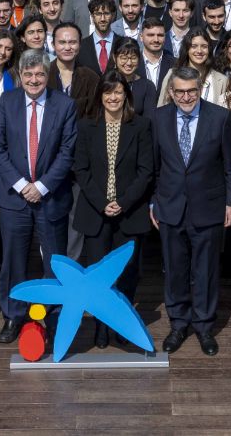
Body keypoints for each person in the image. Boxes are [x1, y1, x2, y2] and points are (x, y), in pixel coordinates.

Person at [151, 66, 231, 356]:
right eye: (180, 92)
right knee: (175, 270)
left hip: (209, 208)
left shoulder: (219, 117)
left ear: (200, 89)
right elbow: (154, 167)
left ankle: (203, 326)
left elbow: (230, 166)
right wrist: (154, 201)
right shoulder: (159, 118)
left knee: (205, 271)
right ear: (171, 92)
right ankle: (178, 324)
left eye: (192, 91)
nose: (187, 97)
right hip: (171, 207)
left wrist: (230, 202)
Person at [0, 52, 77, 345]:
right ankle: (13, 315)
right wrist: (20, 184)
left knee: (54, 262)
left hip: (50, 197)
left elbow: (67, 153)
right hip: (14, 199)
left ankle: (49, 316)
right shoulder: (7, 101)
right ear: (20, 75)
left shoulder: (64, 105)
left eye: (39, 74)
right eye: (28, 75)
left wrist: (41, 186)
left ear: (47, 74)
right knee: (14, 261)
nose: (34, 80)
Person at [73, 76, 156, 349]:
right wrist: (102, 202)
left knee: (128, 272)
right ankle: (100, 325)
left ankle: (121, 322)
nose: (113, 98)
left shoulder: (141, 126)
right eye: (108, 93)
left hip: (129, 212)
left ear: (126, 96)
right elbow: (81, 170)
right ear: (100, 96)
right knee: (98, 273)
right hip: (96, 212)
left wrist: (123, 201)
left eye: (118, 92)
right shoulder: (86, 126)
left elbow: (146, 170)